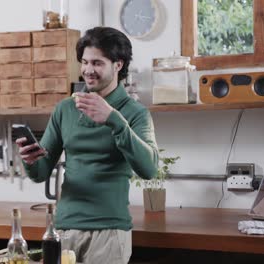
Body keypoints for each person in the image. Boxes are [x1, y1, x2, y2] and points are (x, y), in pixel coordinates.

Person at [16, 27, 159, 264]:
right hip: (64, 229)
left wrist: (114, 120)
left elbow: (149, 168)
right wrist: (29, 160)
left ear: (118, 65)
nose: (88, 70)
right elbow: (40, 172)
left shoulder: (135, 114)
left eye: (97, 63)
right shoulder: (65, 109)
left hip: (110, 232)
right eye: (84, 62)